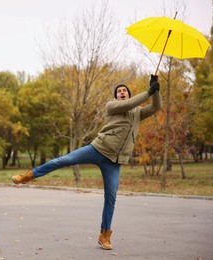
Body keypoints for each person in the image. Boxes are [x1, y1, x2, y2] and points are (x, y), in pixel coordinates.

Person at [12, 75, 162, 250]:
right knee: (65, 160)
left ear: (129, 94)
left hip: (113, 162)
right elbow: (127, 105)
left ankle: (104, 234)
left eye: (125, 91)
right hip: (97, 149)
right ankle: (29, 175)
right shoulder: (111, 106)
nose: (122, 92)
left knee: (111, 197)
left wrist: (155, 90)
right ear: (116, 96)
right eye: (119, 91)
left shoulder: (137, 112)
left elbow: (156, 106)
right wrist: (148, 92)